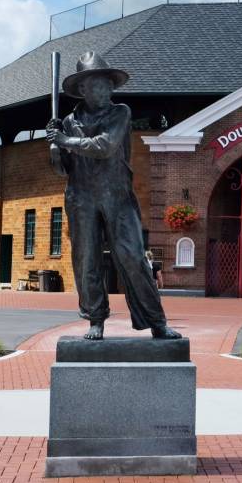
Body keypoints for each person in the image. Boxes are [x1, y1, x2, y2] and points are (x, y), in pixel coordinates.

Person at [46, 51, 179, 341]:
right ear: (83, 89)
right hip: (81, 197)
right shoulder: (68, 122)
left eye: (108, 86)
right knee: (87, 259)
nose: (105, 91)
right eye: (97, 86)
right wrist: (55, 150)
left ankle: (156, 321)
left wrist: (65, 141)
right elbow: (63, 170)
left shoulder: (120, 113)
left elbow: (105, 146)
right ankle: (95, 319)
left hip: (117, 195)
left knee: (132, 257)